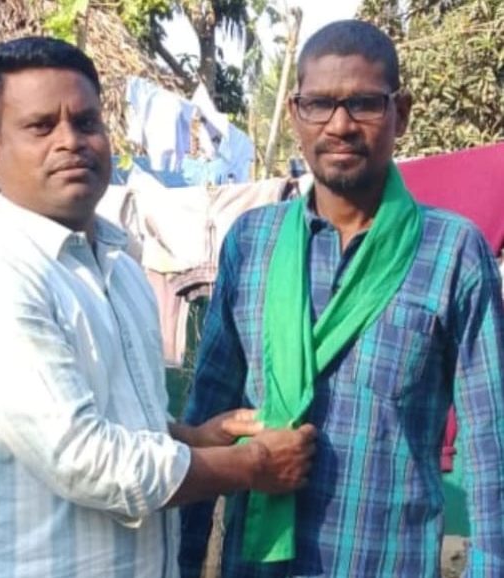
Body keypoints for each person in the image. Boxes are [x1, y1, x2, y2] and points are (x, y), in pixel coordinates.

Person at [0, 36, 316, 578]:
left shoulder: (121, 267)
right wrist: (251, 465)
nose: (70, 142)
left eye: (86, 122)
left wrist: (191, 438)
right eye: (41, 126)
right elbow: (83, 458)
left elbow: (120, 417)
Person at [180, 19, 504, 578]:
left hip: (387, 563)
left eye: (364, 104)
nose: (340, 124)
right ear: (294, 114)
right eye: (320, 104)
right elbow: (207, 418)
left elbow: (490, 442)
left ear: (401, 113)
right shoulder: (251, 243)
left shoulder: (453, 251)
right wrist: (185, 562)